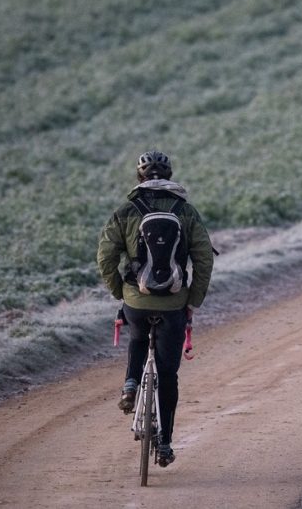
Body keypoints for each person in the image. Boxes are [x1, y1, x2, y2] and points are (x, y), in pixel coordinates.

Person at [96, 150, 214, 467]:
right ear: (169, 177)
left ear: (139, 178)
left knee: (137, 335)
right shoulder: (186, 212)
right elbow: (204, 259)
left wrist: (120, 290)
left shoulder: (125, 212)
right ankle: (164, 444)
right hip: (174, 304)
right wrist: (193, 299)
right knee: (168, 375)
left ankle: (131, 383)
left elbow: (105, 258)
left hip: (136, 299)